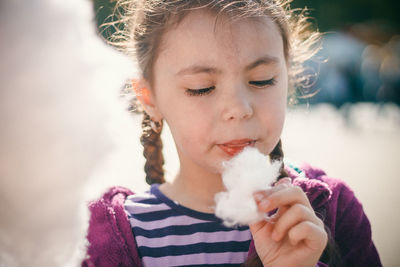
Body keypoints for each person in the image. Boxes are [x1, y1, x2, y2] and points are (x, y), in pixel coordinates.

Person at [82, 0, 382, 266]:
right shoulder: (106, 240)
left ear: (287, 78)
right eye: (202, 88)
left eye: (262, 81)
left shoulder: (330, 211)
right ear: (149, 98)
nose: (239, 109)